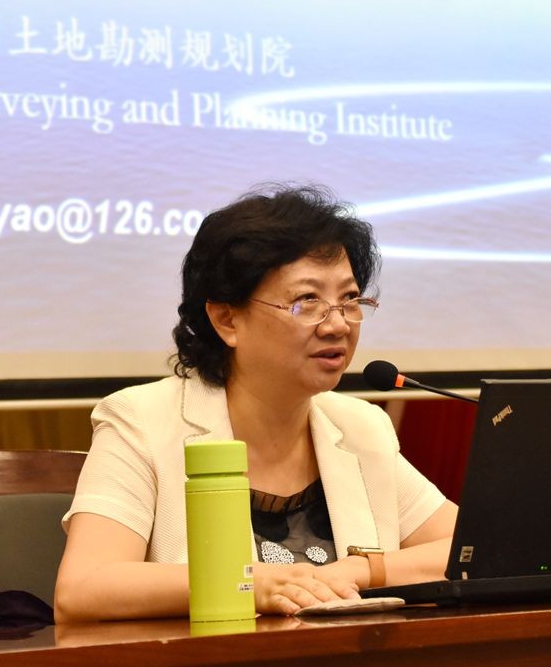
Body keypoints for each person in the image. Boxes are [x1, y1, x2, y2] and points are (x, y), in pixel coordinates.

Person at [54, 183, 457, 621]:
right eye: (308, 301)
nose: (338, 325)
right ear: (227, 319)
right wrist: (252, 583)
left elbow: (476, 548)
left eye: (349, 299)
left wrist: (361, 570)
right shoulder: (142, 422)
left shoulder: (359, 426)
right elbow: (83, 588)